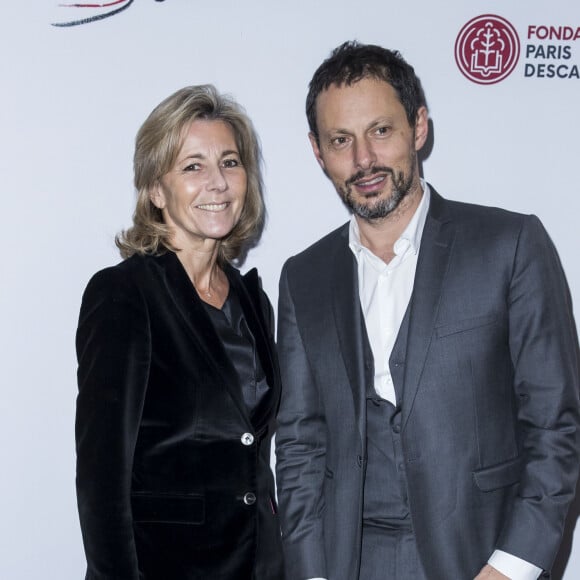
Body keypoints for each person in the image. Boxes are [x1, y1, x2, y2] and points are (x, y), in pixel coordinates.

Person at [275, 41, 580, 580]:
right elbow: (300, 445)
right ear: (318, 153)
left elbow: (555, 427)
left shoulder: (508, 245)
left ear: (418, 128)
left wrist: (511, 568)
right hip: (351, 563)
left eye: (381, 130)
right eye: (340, 140)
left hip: (482, 557)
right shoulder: (304, 277)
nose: (363, 159)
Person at [75, 85, 284, 580]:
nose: (218, 183)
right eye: (193, 166)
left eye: (230, 163)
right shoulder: (124, 295)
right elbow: (102, 480)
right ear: (155, 190)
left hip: (257, 566)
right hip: (165, 567)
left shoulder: (253, 301)